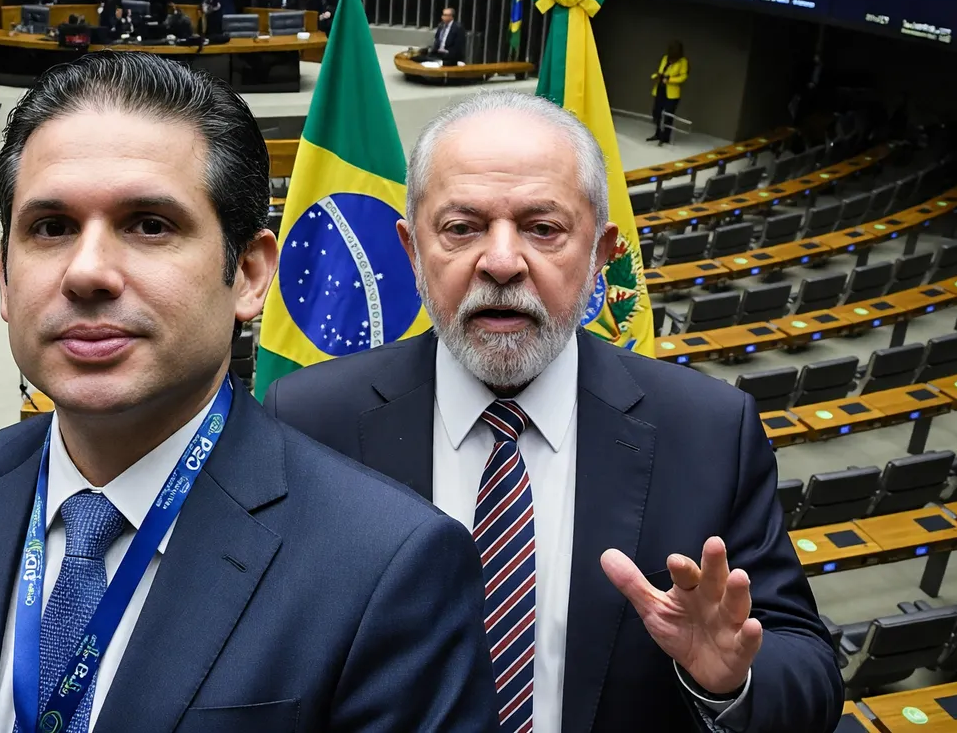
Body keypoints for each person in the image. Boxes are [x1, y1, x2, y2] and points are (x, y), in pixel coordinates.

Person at [0, 52, 496, 732]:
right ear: (3, 277)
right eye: (50, 228)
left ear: (250, 275)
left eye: (149, 225)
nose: (87, 273)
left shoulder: (388, 565)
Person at [268, 92, 842, 733]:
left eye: (544, 229)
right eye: (462, 228)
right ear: (410, 250)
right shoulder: (309, 418)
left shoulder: (710, 430)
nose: (503, 262)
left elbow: (810, 670)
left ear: (600, 254)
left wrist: (728, 682)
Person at [649, 40, 690, 144]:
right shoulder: (665, 58)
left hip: (672, 92)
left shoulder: (683, 62)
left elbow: (683, 77)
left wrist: (669, 80)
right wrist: (656, 76)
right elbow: (660, 71)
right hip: (660, 88)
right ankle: (658, 133)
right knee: (656, 112)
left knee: (668, 115)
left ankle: (665, 137)